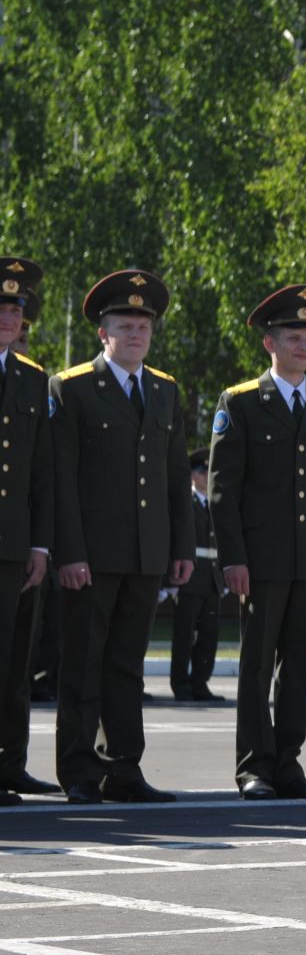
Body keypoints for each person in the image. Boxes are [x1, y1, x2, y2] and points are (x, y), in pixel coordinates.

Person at [51, 270, 194, 803]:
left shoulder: (164, 390)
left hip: (145, 551)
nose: (136, 334)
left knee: (128, 666)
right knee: (84, 664)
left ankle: (123, 768)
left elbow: (175, 475)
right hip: (90, 554)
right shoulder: (72, 388)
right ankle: (80, 771)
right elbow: (62, 480)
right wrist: (70, 552)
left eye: (143, 326)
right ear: (102, 334)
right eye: (124, 325)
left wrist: (181, 546)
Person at [209, 283, 306, 800]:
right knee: (256, 665)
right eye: (293, 338)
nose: (304, 347)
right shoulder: (243, 402)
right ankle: (255, 766)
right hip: (262, 559)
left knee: (299, 666)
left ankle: (288, 762)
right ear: (269, 344)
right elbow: (224, 491)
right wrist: (233, 559)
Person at [0, 259, 54, 803]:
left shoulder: (31, 378)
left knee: (16, 660)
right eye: (1, 307)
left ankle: (9, 763)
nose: (8, 316)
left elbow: (42, 469)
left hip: (16, 544)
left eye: (15, 309)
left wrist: (40, 544)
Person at [168, 447, 223, 703]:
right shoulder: (186, 503)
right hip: (190, 580)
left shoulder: (215, 503)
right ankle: (181, 684)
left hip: (212, 580)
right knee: (185, 635)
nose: (206, 476)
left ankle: (200, 682)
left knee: (209, 636)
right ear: (192, 476)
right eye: (202, 471)